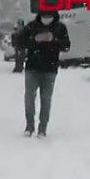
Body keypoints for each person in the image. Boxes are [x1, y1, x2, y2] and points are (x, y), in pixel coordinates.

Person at [20, 10, 70, 138]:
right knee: (29, 97)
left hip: (50, 69)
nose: (46, 18)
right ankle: (29, 125)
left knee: (46, 99)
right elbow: (20, 42)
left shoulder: (60, 27)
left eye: (49, 16)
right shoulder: (32, 26)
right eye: (44, 16)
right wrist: (35, 40)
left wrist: (53, 40)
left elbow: (66, 46)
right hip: (32, 68)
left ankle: (43, 128)